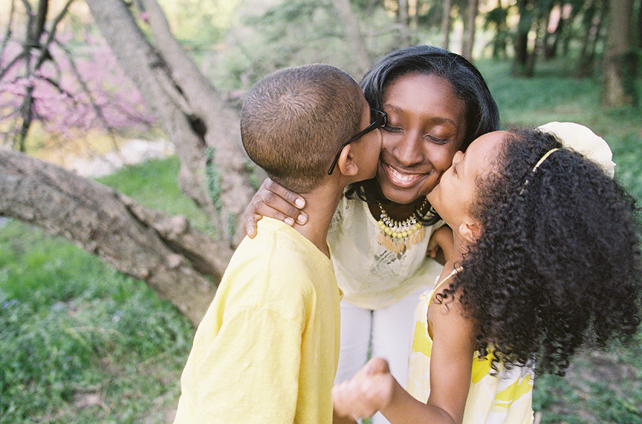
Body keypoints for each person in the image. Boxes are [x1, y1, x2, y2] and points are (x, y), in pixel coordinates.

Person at [243, 46, 499, 423]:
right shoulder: (334, 181)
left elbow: (470, 246)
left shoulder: (455, 197)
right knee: (330, 394)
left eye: (439, 136)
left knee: (404, 394)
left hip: (406, 294)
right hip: (340, 294)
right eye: (391, 125)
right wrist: (264, 201)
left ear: (464, 147)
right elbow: (265, 235)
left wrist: (446, 241)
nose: (409, 154)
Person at [331, 123, 642, 424]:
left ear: (473, 228)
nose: (453, 158)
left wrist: (388, 395)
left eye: (457, 171)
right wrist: (442, 238)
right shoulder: (502, 276)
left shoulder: (454, 306)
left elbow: (445, 418)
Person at [172, 63, 383, 424]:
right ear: (348, 160)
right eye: (375, 121)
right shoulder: (275, 286)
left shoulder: (305, 249)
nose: (386, 132)